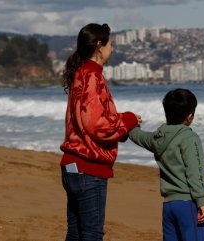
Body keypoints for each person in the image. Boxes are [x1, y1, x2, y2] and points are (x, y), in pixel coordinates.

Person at [59, 23, 141, 241]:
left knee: (75, 233)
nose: (112, 48)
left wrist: (121, 123)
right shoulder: (92, 76)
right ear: (99, 46)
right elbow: (98, 126)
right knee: (92, 234)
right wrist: (129, 120)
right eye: (110, 44)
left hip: (72, 164)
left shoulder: (81, 73)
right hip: (88, 167)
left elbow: (89, 119)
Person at [129, 88, 204, 241]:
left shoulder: (157, 138)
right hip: (188, 204)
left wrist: (129, 124)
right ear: (190, 116)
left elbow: (139, 136)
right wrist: (201, 201)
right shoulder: (190, 138)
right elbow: (195, 171)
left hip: (169, 206)